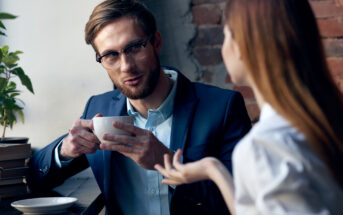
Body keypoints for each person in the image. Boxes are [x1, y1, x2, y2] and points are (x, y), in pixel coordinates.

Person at [27, 0, 251, 214]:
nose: (126, 66)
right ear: (100, 59)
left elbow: (245, 200)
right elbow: (35, 176)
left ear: (157, 42)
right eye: (111, 55)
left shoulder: (222, 108)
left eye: (134, 47)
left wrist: (166, 162)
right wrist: (64, 151)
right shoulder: (99, 107)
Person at [155, 0, 343, 214]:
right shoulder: (323, 119)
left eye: (226, 35)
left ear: (242, 46)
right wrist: (213, 169)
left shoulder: (265, 147)